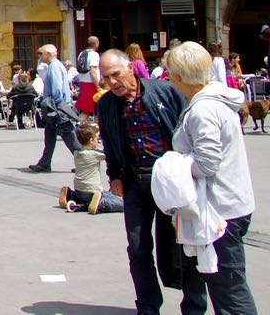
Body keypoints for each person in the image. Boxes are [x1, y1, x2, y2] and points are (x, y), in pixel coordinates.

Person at [163, 41, 258, 314]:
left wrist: (174, 167)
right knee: (225, 286)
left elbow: (207, 162)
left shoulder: (204, 109)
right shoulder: (214, 100)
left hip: (221, 209)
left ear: (179, 76)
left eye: (170, 73)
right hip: (228, 203)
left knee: (229, 290)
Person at [97, 48, 187, 314]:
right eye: (106, 77)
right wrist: (114, 175)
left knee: (179, 245)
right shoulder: (106, 104)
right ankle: (147, 306)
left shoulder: (164, 92)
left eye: (116, 75)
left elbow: (184, 129)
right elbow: (110, 141)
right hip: (135, 181)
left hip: (169, 180)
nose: (112, 82)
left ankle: (192, 303)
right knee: (138, 247)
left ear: (130, 69)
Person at [29, 45, 79, 172]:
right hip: (57, 106)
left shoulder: (54, 66)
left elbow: (57, 89)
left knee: (68, 136)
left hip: (57, 107)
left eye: (41, 54)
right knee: (49, 134)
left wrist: (55, 104)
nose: (40, 57)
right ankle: (44, 162)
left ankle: (84, 163)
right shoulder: (54, 65)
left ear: (48, 54)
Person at [60, 123, 124, 214]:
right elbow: (110, 155)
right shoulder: (94, 154)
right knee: (122, 204)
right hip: (92, 191)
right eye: (96, 138)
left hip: (79, 190)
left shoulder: (77, 153)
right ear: (91, 140)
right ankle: (100, 204)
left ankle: (70, 195)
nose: (97, 141)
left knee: (84, 198)